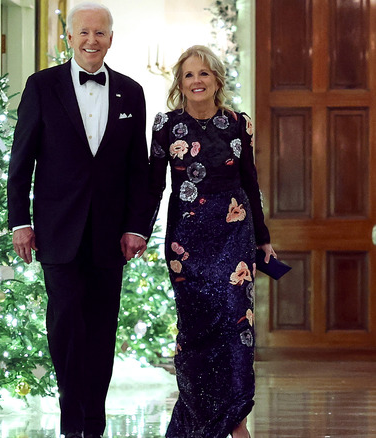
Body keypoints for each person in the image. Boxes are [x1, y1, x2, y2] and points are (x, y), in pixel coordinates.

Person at [7, 3, 154, 437]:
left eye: (101, 33)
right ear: (69, 37)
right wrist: (20, 222)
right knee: (67, 326)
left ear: (111, 38)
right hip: (57, 231)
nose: (93, 40)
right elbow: (22, 162)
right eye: (84, 32)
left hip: (111, 236)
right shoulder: (42, 86)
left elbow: (138, 171)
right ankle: (74, 422)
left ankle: (94, 423)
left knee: (102, 329)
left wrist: (136, 227)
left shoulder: (132, 91)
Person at [147, 45, 277, 438]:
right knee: (196, 334)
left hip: (234, 236)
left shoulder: (239, 124)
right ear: (180, 83)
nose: (197, 81)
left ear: (217, 79)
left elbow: (250, 184)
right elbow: (153, 186)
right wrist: (137, 231)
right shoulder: (166, 126)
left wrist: (263, 240)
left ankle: (236, 422)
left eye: (204, 73)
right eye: (189, 75)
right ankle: (199, 422)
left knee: (237, 329)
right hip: (185, 242)